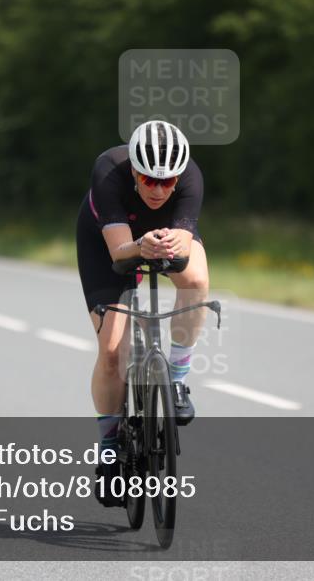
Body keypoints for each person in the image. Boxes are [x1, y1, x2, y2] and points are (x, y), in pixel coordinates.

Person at [76, 120, 209, 506]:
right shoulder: (108, 171)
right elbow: (120, 254)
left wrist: (171, 243)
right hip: (108, 242)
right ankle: (109, 448)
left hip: (162, 234)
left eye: (168, 182)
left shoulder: (190, 177)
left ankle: (178, 378)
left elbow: (184, 241)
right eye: (149, 179)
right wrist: (140, 246)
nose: (159, 189)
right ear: (134, 170)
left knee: (196, 281)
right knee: (112, 351)